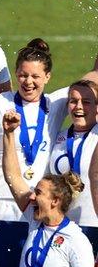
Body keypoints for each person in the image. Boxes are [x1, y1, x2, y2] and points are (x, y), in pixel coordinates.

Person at [0, 40, 98, 221]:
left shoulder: (56, 103)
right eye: (23, 75)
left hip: (39, 202)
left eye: (35, 76)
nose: (28, 82)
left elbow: (90, 83)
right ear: (16, 74)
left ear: (47, 77)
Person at [1, 111, 94, 267]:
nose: (31, 197)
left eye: (38, 192)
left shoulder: (76, 240)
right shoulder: (35, 219)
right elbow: (12, 177)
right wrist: (8, 134)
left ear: (55, 201)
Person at [48, 80, 98, 227]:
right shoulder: (58, 137)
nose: (79, 106)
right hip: (62, 225)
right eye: (73, 101)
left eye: (86, 101)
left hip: (94, 223)